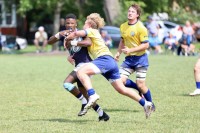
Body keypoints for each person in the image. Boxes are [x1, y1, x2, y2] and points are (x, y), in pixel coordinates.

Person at [66, 12, 154, 119]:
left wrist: (67, 38)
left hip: (104, 59)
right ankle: (146, 104)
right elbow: (84, 43)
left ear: (89, 24)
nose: (83, 25)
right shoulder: (93, 34)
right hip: (110, 62)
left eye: (85, 23)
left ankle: (92, 94)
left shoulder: (91, 30)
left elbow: (75, 34)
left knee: (81, 72)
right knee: (121, 89)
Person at [48, 13, 109, 121]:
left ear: (76, 23)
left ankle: (84, 102)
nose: (70, 25)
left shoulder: (81, 33)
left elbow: (88, 42)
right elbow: (49, 42)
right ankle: (102, 114)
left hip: (85, 65)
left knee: (67, 84)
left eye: (72, 23)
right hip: (79, 66)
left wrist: (74, 42)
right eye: (67, 23)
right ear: (65, 24)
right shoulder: (64, 34)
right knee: (86, 95)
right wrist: (59, 34)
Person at [114, 4, 155, 112]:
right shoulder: (123, 26)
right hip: (129, 60)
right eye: (129, 11)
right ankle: (137, 87)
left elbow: (146, 45)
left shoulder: (141, 28)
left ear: (137, 15)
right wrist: (118, 53)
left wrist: (131, 50)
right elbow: (122, 41)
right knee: (120, 81)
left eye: (132, 11)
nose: (130, 13)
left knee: (141, 84)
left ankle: (151, 104)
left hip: (140, 59)